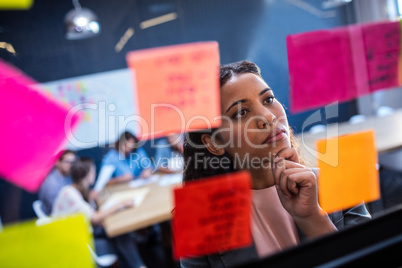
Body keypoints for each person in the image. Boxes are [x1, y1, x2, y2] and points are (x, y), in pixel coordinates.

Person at [180, 61, 371, 267]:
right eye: (241, 112)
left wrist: (312, 218)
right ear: (215, 143)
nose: (268, 117)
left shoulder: (338, 182)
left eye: (268, 99)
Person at [52, 158, 147, 268]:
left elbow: (88, 213)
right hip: (75, 243)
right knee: (120, 235)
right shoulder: (69, 193)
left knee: (121, 235)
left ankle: (136, 263)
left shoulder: (78, 190)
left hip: (82, 234)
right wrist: (120, 204)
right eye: (93, 171)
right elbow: (94, 218)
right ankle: (137, 264)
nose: (94, 174)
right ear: (86, 174)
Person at [38, 150, 76, 215]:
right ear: (57, 162)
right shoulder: (51, 183)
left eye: (73, 162)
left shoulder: (68, 177)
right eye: (67, 162)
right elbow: (58, 209)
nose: (71, 165)